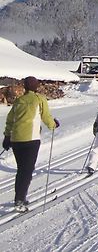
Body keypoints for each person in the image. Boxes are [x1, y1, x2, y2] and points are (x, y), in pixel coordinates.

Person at [2, 76, 60, 212]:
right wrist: (53, 125)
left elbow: (10, 120)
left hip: (16, 139)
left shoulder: (19, 101)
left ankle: (20, 197)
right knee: (26, 171)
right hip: (31, 139)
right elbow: (46, 117)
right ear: (36, 87)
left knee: (22, 170)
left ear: (25, 87)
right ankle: (19, 200)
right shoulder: (40, 99)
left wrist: (7, 137)